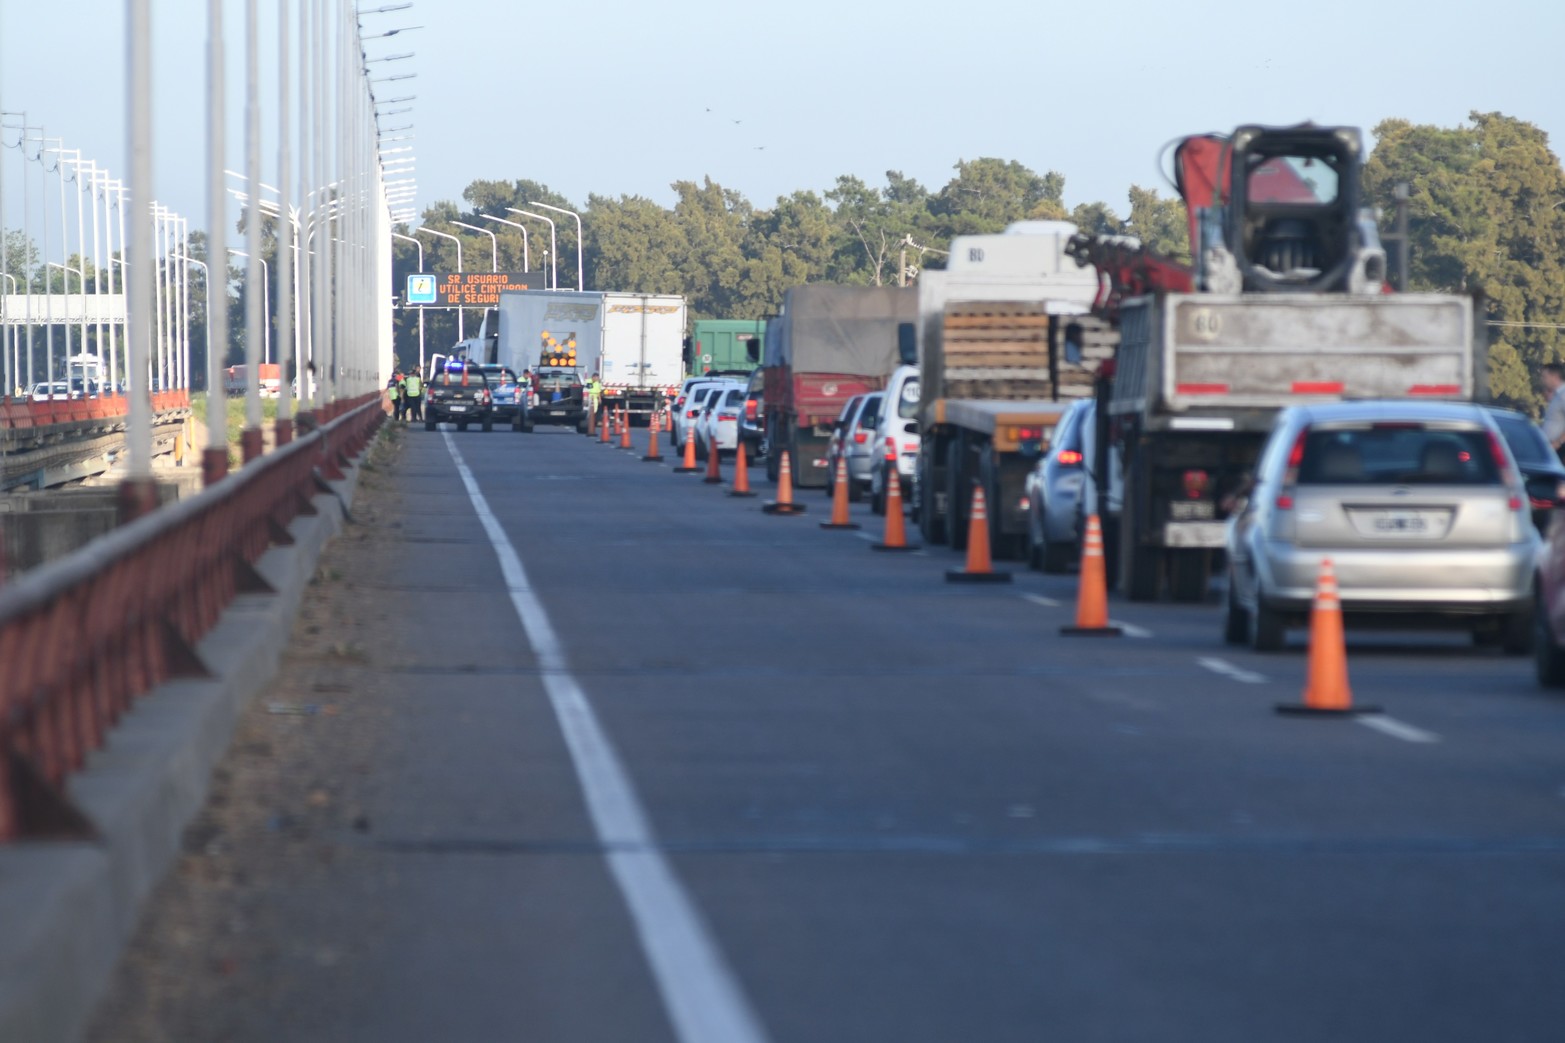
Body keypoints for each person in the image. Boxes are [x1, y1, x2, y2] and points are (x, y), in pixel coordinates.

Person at [1543, 362, 1565, 464]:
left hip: (1558, 449)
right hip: (1551, 447)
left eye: (1545, 377)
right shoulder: (1556, 395)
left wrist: (1557, 443)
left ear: (1554, 377)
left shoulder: (1563, 395)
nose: (1543, 380)